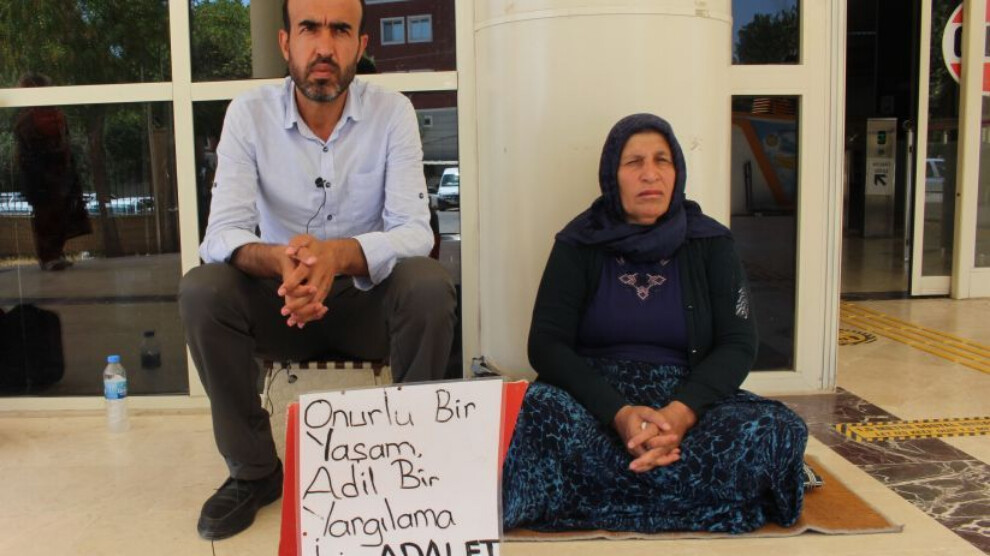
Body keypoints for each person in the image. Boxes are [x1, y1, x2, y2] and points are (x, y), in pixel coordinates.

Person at [178, 0, 456, 540]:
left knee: (428, 285)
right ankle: (254, 471)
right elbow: (221, 234)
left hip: (364, 304)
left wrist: (338, 256)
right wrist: (282, 261)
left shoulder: (392, 112)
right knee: (202, 291)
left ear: (361, 45)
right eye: (309, 28)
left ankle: (412, 462)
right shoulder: (249, 114)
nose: (324, 47)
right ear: (286, 42)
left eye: (340, 30)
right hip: (280, 304)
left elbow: (415, 231)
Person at [502, 114, 808, 533]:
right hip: (595, 404)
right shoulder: (578, 242)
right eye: (634, 162)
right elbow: (546, 344)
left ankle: (595, 495)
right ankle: (691, 497)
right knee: (532, 412)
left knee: (776, 429)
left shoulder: (711, 242)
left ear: (677, 171)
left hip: (686, 400)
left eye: (662, 160)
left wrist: (679, 416)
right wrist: (619, 414)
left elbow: (738, 343)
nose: (650, 174)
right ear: (612, 176)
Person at [12, 72, 91, 271]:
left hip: (59, 174)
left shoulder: (56, 116)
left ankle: (56, 253)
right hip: (41, 177)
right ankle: (48, 256)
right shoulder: (27, 120)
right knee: (45, 215)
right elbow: (29, 150)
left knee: (60, 214)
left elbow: (65, 141)